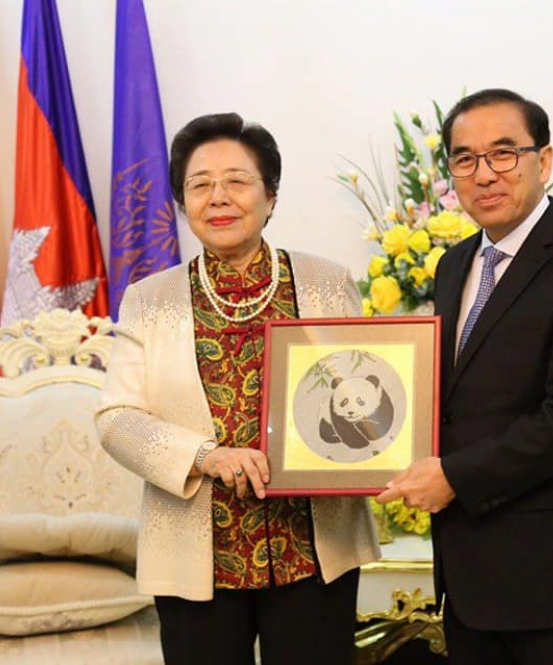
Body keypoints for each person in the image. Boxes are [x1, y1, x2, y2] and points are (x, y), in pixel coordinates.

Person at [96, 112, 380, 665]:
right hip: (195, 553)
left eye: (237, 181)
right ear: (183, 204)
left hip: (313, 549)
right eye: (200, 185)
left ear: (270, 196)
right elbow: (117, 419)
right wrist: (205, 456)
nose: (218, 197)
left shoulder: (326, 282)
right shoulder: (149, 300)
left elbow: (363, 388)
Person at [377, 89, 553, 664]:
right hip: (467, 575)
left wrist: (454, 477)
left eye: (503, 153)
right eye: (465, 159)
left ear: (543, 160)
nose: (484, 174)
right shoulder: (454, 264)